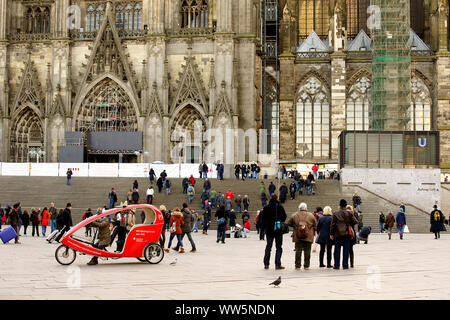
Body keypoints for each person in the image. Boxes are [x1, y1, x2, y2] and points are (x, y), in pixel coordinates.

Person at [260, 194, 287, 270]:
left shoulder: (266, 207)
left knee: (268, 246)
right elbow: (284, 216)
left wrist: (264, 227)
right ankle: (278, 264)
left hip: (269, 229)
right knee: (278, 247)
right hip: (277, 227)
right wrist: (279, 220)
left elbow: (263, 218)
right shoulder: (280, 206)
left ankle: (266, 264)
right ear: (277, 198)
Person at [330, 199, 359, 270]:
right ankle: (345, 265)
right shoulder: (349, 212)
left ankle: (336, 265)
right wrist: (349, 224)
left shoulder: (336, 213)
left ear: (339, 205)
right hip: (347, 233)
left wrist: (331, 233)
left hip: (338, 233)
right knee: (346, 249)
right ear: (346, 205)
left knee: (337, 249)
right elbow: (355, 221)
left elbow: (333, 225)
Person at [287, 202, 317, 270]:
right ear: (306, 208)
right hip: (308, 236)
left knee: (298, 250)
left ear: (299, 208)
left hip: (298, 235)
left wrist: (295, 227)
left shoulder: (294, 215)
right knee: (307, 251)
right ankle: (306, 266)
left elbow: (289, 223)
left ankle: (297, 266)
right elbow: (315, 224)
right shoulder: (311, 215)